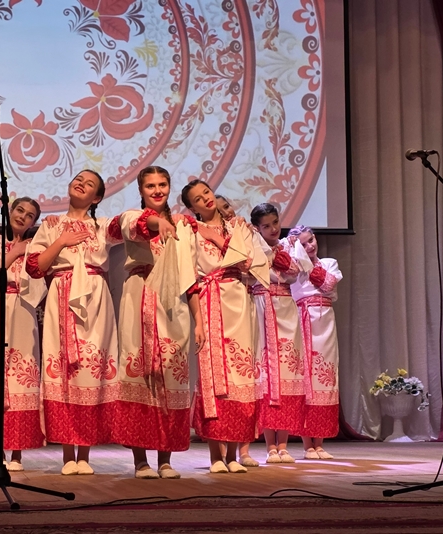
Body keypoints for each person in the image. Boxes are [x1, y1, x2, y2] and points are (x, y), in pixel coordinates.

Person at [25, 170, 122, 475]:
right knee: (64, 369)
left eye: (89, 183)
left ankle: (85, 454)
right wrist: (61, 241)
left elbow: (130, 227)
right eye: (79, 179)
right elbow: (35, 267)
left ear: (97, 197)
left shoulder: (102, 226)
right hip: (62, 293)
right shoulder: (52, 224)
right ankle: (68, 453)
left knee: (91, 371)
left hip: (95, 299)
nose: (81, 183)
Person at [114, 166, 205, 479]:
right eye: (150, 185)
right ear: (141, 190)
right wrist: (160, 222)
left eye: (162, 184)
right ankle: (140, 461)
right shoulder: (131, 216)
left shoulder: (184, 227)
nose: (157, 190)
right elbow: (141, 225)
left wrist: (198, 320)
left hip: (172, 302)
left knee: (171, 376)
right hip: (139, 294)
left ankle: (165, 459)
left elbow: (190, 275)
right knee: (139, 374)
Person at [181, 181, 265, 474]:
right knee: (213, 376)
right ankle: (216, 455)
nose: (205, 199)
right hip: (209, 301)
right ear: (191, 207)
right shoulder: (191, 232)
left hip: (238, 303)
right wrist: (198, 321)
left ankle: (233, 455)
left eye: (206, 192)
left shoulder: (238, 227)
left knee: (240, 376)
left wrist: (216, 238)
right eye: (197, 199)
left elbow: (249, 264)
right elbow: (190, 279)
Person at [0, 197, 45, 471]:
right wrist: (16, 251)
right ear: (10, 211)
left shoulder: (36, 246)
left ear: (33, 223)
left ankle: (17, 453)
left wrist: (28, 249)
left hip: (23, 309)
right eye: (19, 210)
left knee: (21, 376)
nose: (22, 216)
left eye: (29, 215)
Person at [249, 203, 305, 464]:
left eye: (275, 223)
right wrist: (273, 267)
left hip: (285, 309)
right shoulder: (253, 246)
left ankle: (283, 444)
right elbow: (256, 274)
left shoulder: (288, 246)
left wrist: (281, 264)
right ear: (257, 228)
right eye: (266, 226)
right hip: (262, 305)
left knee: (286, 373)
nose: (273, 229)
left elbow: (295, 275)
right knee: (266, 375)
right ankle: (269, 445)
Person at [288, 225, 342, 460]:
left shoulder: (329, 263)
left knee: (325, 377)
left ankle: (319, 442)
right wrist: (296, 256)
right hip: (302, 318)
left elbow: (328, 284)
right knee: (305, 377)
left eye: (311, 240)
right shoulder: (295, 267)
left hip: (325, 322)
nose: (310, 246)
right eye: (303, 244)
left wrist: (308, 265)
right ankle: (307, 445)